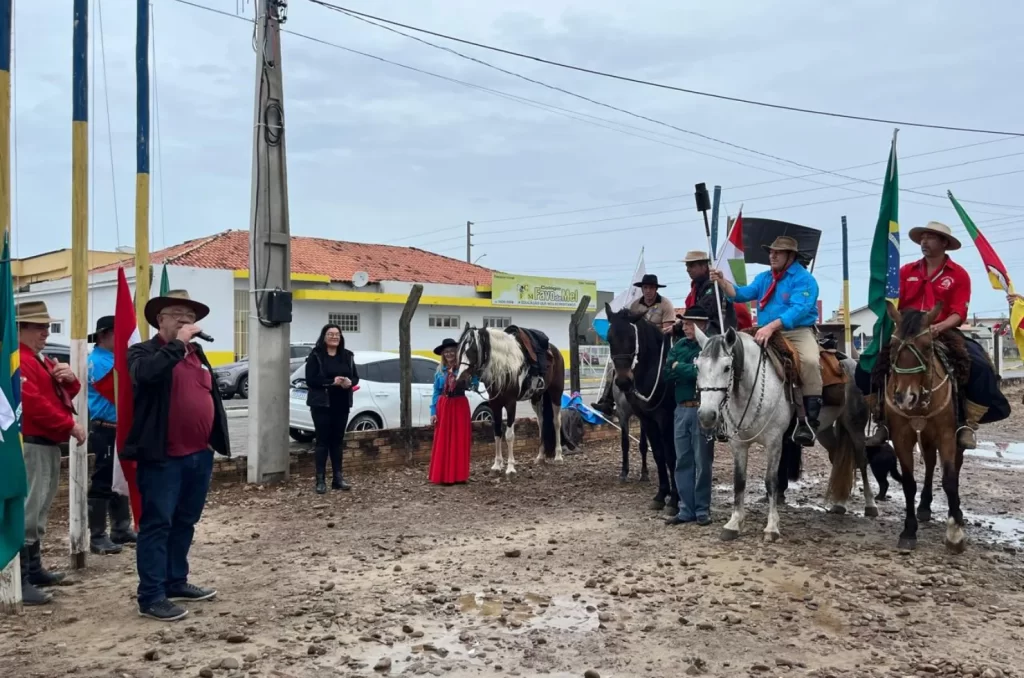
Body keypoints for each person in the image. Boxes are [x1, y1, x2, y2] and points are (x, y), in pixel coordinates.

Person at [123, 289, 230, 622]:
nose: (187, 321)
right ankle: (151, 596)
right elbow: (147, 375)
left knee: (186, 521)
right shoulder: (142, 352)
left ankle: (175, 581)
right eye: (178, 315)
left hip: (199, 455)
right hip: (163, 457)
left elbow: (206, 395)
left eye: (191, 317)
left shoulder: (197, 354)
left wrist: (212, 439)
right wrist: (178, 344)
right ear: (160, 320)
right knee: (157, 524)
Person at [864, 221, 1010, 449]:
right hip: (908, 332)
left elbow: (959, 311)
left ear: (944, 243)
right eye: (922, 237)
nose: (924, 241)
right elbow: (894, 303)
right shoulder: (905, 271)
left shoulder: (959, 274)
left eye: (930, 237)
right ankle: (881, 419)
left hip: (943, 330)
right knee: (870, 364)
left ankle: (967, 424)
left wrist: (938, 328)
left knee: (978, 365)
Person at [710, 235, 822, 447]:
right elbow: (741, 294)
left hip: (796, 331)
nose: (772, 255)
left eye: (777, 252)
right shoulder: (764, 278)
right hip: (764, 329)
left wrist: (771, 327)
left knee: (809, 362)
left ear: (791, 256)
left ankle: (808, 422)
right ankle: (726, 416)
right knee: (733, 358)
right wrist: (723, 282)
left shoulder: (804, 279)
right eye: (771, 252)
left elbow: (799, 309)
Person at [17, 300, 84, 606]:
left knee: (39, 506)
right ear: (22, 328)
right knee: (29, 508)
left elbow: (54, 395)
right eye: (39, 326)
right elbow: (32, 403)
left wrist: (70, 382)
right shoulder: (19, 360)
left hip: (43, 443)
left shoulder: (37, 359)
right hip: (31, 442)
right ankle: (21, 577)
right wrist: (69, 424)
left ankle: (32, 569)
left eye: (46, 326)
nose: (46, 332)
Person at [591, 274, 675, 417]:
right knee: (614, 367)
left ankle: (668, 397)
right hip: (639, 349)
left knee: (669, 367)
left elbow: (666, 331)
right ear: (642, 289)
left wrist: (649, 331)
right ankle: (608, 400)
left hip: (658, 348)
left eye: (651, 288)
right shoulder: (634, 305)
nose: (648, 291)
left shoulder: (665, 305)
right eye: (645, 287)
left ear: (656, 289)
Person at [86, 315, 136, 556]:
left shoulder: (113, 359)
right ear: (104, 335)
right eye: (119, 334)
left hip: (118, 426)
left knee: (120, 477)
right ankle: (97, 535)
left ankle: (120, 528)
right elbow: (119, 389)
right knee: (104, 479)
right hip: (105, 427)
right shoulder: (99, 361)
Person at [664, 307, 714, 527]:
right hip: (681, 408)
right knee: (682, 460)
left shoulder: (711, 347)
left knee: (703, 461)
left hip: (702, 408)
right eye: (684, 324)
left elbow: (704, 373)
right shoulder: (679, 346)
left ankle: (702, 509)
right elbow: (667, 372)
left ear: (702, 325)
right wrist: (689, 368)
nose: (685, 328)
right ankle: (686, 509)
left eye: (690, 324)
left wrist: (679, 367)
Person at [304, 323, 359, 494]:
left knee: (337, 442)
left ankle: (338, 478)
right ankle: (320, 480)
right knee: (322, 441)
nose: (334, 337)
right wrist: (330, 382)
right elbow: (311, 380)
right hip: (321, 404)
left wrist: (350, 382)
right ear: (324, 337)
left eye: (337, 334)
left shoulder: (347, 356)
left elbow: (355, 377)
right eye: (330, 334)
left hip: (341, 404)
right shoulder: (316, 356)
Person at [428, 337, 478, 485]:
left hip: (460, 405)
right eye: (446, 352)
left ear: (457, 353)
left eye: (452, 351)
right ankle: (443, 475)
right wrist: (433, 412)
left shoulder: (464, 369)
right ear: (443, 354)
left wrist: (472, 378)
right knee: (443, 440)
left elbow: (474, 386)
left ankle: (459, 475)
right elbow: (436, 392)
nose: (449, 354)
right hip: (444, 406)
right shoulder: (440, 372)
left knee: (459, 439)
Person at [681, 250, 738, 335]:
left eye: (691, 266)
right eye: (687, 266)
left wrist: (682, 320)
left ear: (704, 267)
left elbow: (704, 310)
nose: (687, 270)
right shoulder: (697, 286)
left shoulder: (714, 284)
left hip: (720, 332)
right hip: (705, 329)